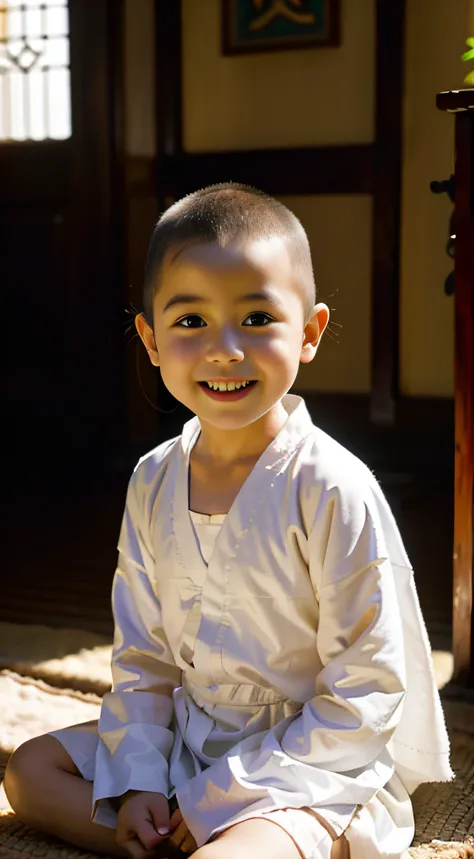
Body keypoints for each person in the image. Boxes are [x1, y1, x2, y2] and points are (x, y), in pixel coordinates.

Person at [4, 184, 453, 859]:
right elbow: (145, 659)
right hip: (193, 732)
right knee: (29, 771)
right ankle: (156, 833)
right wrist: (143, 781)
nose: (224, 349)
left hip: (308, 765)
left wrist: (222, 795)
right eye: (190, 323)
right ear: (150, 339)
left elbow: (365, 692)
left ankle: (211, 840)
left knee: (236, 848)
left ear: (309, 332)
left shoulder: (330, 486)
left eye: (256, 318)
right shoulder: (153, 478)